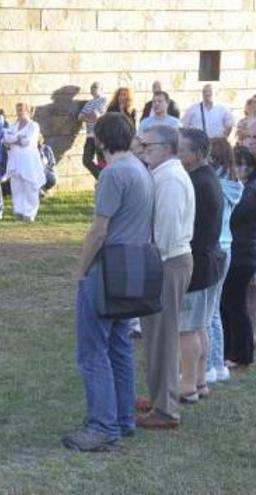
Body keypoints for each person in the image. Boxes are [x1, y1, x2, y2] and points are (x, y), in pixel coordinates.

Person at [61, 112, 153, 452]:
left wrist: (81, 270)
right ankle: (123, 419)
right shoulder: (140, 170)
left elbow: (99, 230)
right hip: (131, 268)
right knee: (119, 345)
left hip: (107, 270)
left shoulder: (113, 174)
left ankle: (102, 426)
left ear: (100, 139)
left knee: (93, 352)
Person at [136, 125, 195, 430]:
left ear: (168, 147)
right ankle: (160, 397)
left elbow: (167, 233)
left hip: (167, 263)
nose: (143, 149)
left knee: (163, 335)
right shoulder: (163, 173)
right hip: (165, 262)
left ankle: (167, 409)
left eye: (148, 145)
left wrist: (151, 265)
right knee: (155, 334)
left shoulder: (170, 178)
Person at [176, 128, 224, 404]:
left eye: (181, 149)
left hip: (199, 263)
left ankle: (188, 385)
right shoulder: (207, 177)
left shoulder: (196, 181)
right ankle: (200, 381)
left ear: (196, 154)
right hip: (210, 261)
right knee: (200, 325)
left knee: (188, 328)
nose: (177, 152)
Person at [205, 139, 243, 383]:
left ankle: (209, 366)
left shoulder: (215, 183)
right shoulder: (234, 183)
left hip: (215, 247)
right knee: (214, 310)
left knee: (206, 311)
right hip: (226, 247)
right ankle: (217, 365)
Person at [221, 145, 256, 369]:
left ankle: (242, 354)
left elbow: (236, 212)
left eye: (245, 164)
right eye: (237, 164)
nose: (241, 168)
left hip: (243, 253)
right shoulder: (243, 187)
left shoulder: (250, 190)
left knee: (235, 303)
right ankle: (233, 350)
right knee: (229, 303)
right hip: (239, 250)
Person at [3, 102, 45, 222]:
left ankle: (30, 212)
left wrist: (14, 139)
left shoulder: (33, 125)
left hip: (29, 160)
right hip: (15, 159)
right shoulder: (14, 125)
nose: (19, 112)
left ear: (27, 111)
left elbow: (27, 141)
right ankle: (19, 210)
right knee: (16, 186)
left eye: (21, 110)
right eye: (18, 110)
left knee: (30, 185)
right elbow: (6, 139)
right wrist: (17, 138)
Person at [78, 82, 108, 180]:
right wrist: (90, 117)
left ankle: (105, 180)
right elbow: (80, 117)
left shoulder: (104, 100)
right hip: (90, 136)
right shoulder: (89, 103)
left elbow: (96, 116)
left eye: (95, 87)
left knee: (102, 161)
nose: (93, 89)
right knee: (86, 160)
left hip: (101, 136)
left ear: (101, 89)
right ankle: (101, 177)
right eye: (91, 88)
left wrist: (88, 117)